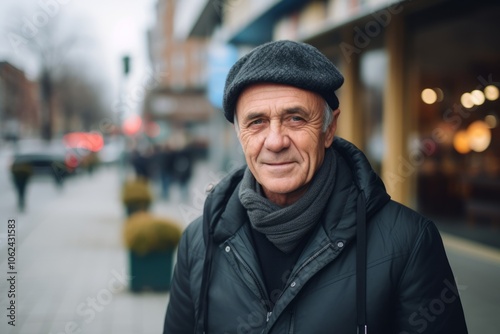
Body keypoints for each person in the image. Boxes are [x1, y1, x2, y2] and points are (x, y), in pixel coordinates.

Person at [163, 40, 468, 333]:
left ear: (329, 128)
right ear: (239, 133)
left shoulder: (409, 242)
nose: (275, 141)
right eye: (256, 122)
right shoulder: (199, 242)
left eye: (295, 118)